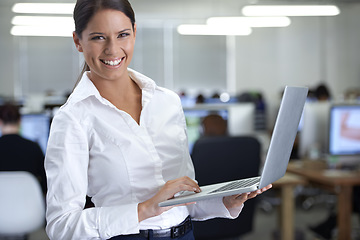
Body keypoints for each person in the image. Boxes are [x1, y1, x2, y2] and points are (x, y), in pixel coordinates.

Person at [44, 0, 272, 239]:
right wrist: (144, 209)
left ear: (134, 33)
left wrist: (224, 201)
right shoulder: (72, 118)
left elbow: (184, 198)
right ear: (78, 41)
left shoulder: (167, 102)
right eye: (98, 37)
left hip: (185, 234)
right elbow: (62, 226)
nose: (113, 49)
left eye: (122, 34)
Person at [0, 103, 47, 193]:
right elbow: (46, 184)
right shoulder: (33, 148)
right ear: (20, 121)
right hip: (29, 205)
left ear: (0, 122)